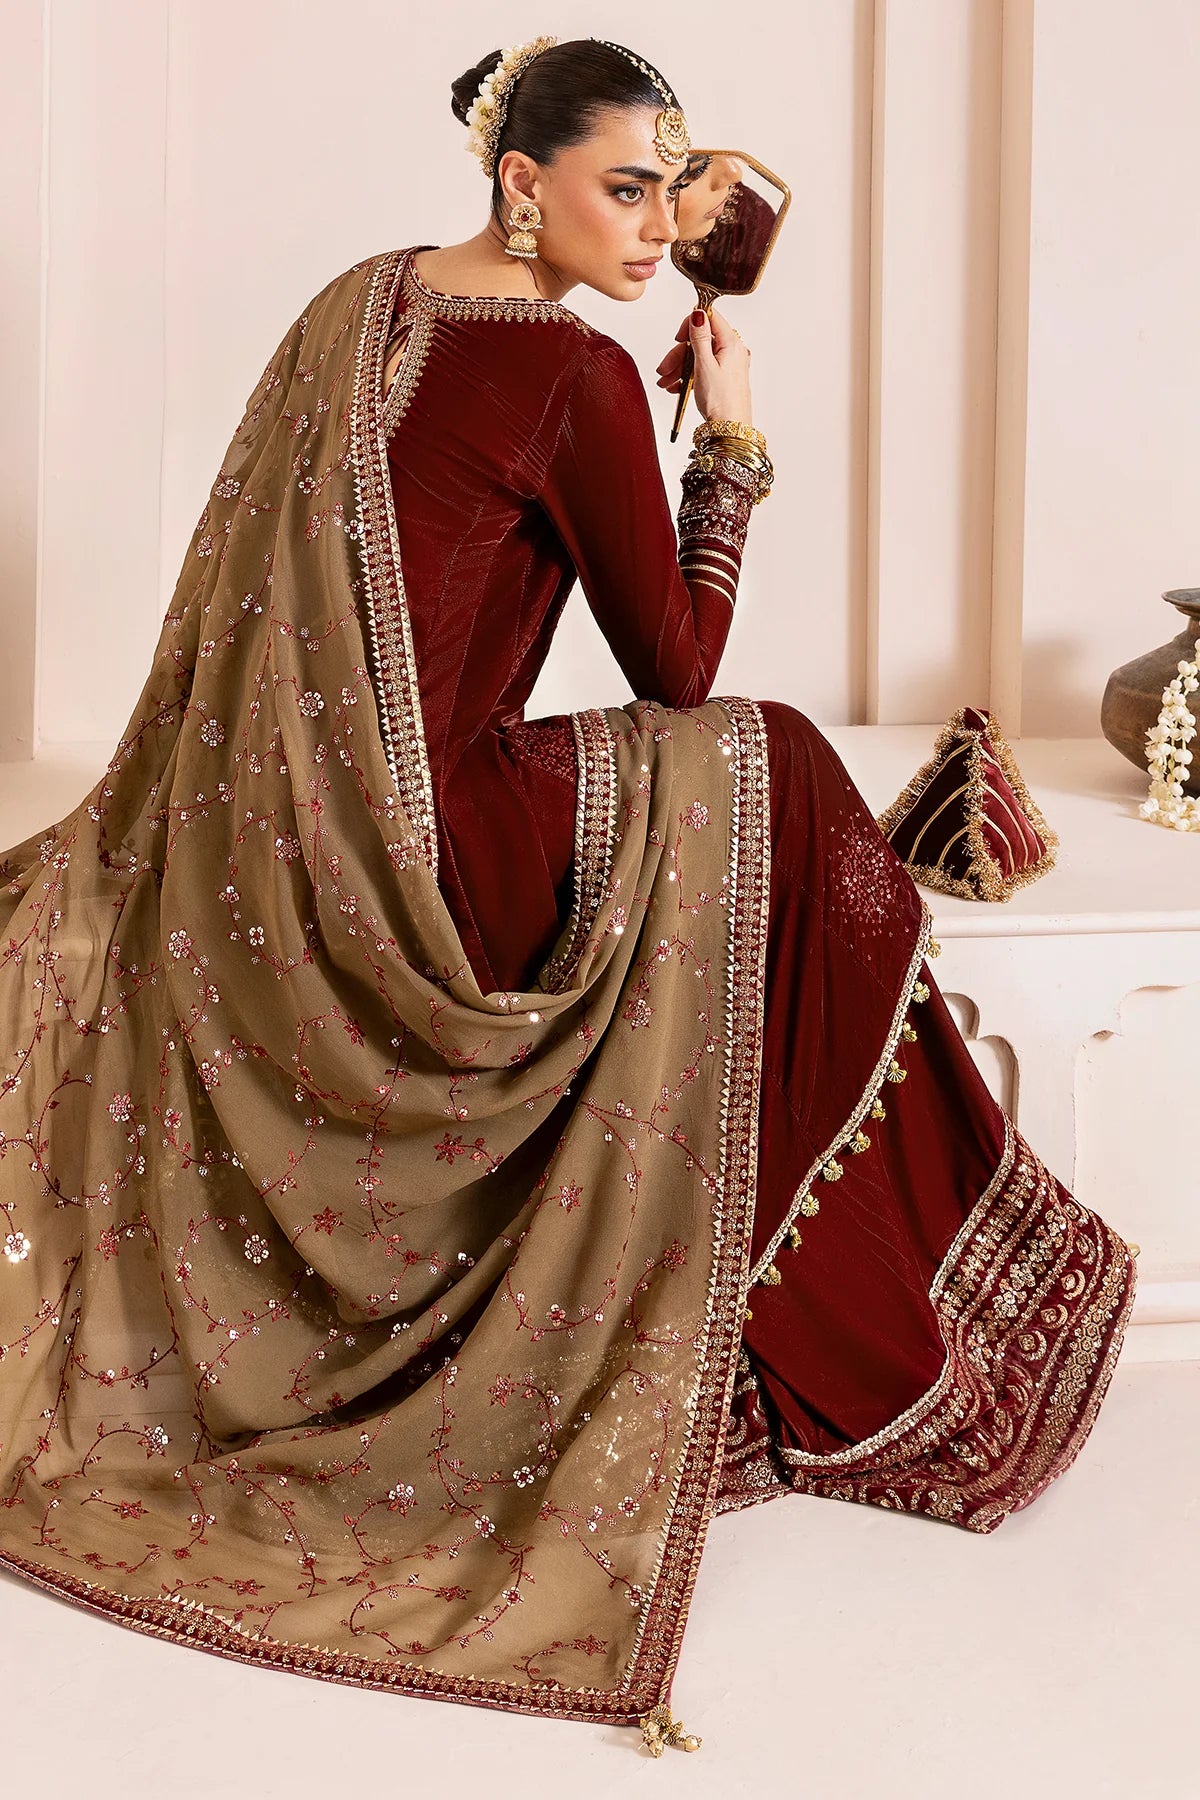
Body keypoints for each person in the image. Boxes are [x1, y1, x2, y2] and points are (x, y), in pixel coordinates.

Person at [0, 34, 1136, 1756]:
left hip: (298, 846)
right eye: (624, 189)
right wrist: (729, 445)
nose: (660, 228)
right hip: (439, 862)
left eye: (673, 192)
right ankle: (862, 1319)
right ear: (521, 183)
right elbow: (676, 667)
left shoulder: (361, 302)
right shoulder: (575, 373)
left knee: (761, 773)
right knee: (769, 760)